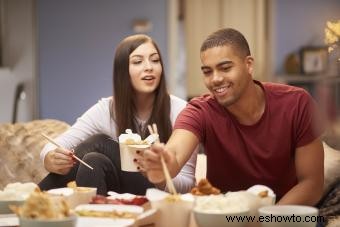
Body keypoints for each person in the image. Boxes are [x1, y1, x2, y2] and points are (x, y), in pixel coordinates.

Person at [142, 28, 325, 206]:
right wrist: (162, 165)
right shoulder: (200, 110)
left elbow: (312, 184)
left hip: (284, 214)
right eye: (207, 71)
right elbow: (174, 155)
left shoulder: (297, 103)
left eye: (225, 68)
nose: (215, 79)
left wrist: (265, 221)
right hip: (224, 216)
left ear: (249, 65)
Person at [39, 34, 197, 195]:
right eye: (138, 61)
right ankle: (93, 217)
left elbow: (187, 184)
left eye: (155, 60)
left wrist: (160, 175)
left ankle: (34, 196)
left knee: (98, 142)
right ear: (123, 71)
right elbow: (54, 145)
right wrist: (49, 158)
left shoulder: (182, 110)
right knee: (93, 160)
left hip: (160, 195)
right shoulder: (106, 109)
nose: (149, 67)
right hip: (120, 196)